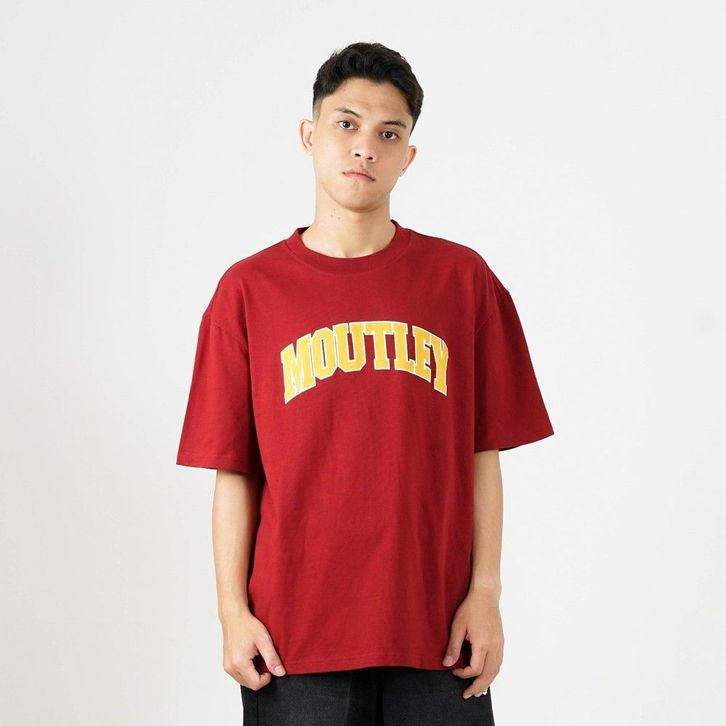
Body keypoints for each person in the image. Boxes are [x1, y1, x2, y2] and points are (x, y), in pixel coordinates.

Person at [176, 41, 554, 725]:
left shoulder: (462, 281)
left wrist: (486, 593)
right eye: (346, 124)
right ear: (309, 134)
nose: (364, 148)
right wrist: (232, 611)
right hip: (292, 640)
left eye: (388, 133)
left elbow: (483, 453)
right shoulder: (249, 291)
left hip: (438, 634)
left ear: (409, 155)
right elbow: (235, 470)